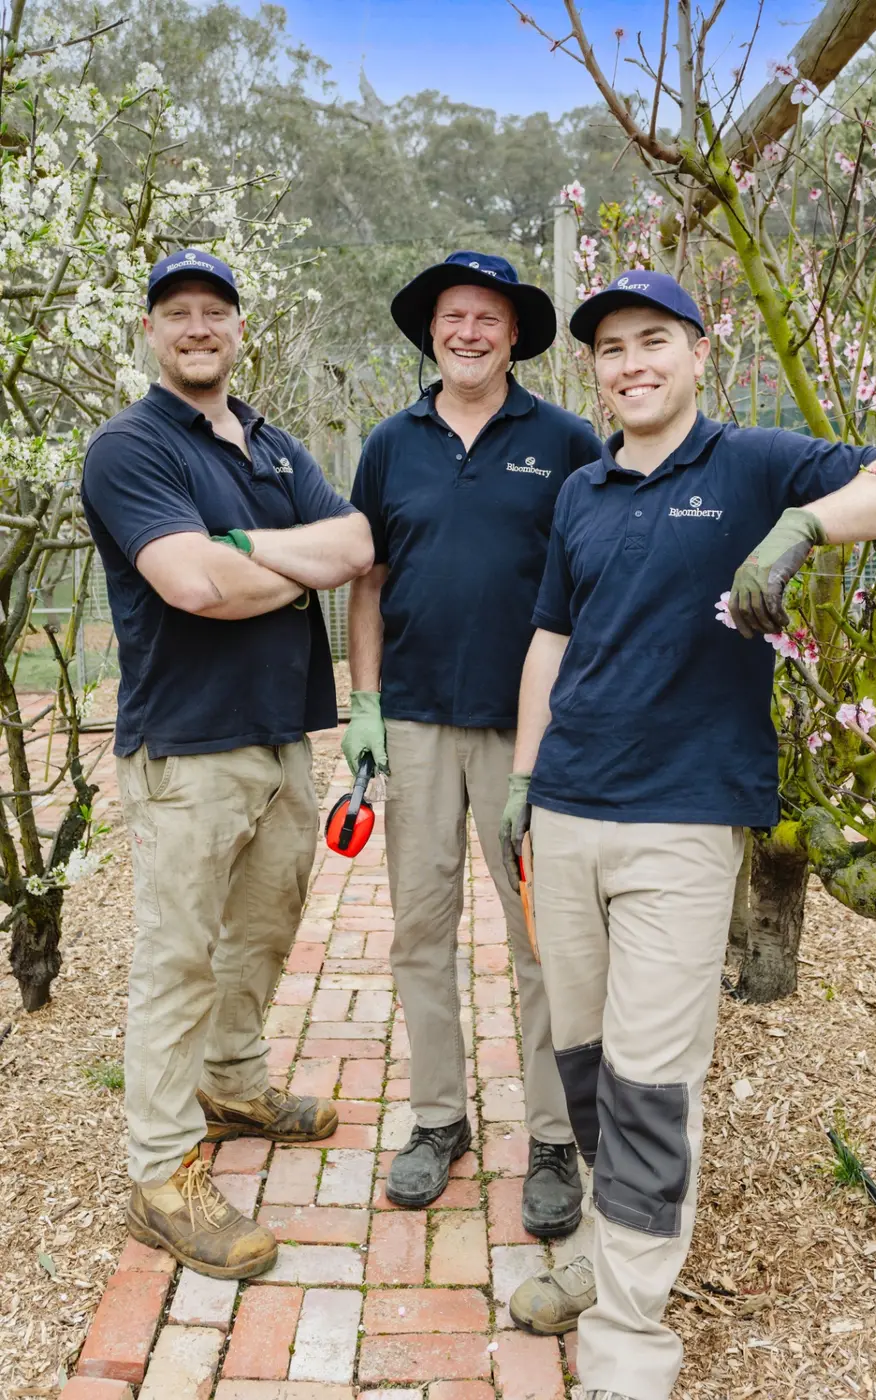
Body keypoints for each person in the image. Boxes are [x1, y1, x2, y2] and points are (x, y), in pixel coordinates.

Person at [500, 270, 876, 1400]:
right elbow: (550, 638)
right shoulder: (584, 490)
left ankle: (629, 1345)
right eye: (610, 349)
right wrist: (521, 777)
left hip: (682, 825)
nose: (631, 362)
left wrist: (802, 524)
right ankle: (606, 1252)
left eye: (654, 340)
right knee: (586, 1064)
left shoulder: (753, 462)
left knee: (650, 1079)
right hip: (568, 808)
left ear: (701, 351)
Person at [82, 249, 374, 1279]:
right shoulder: (128, 448)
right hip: (188, 744)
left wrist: (244, 547)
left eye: (215, 311)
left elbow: (353, 545)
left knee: (263, 928)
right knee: (177, 957)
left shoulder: (272, 441)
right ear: (153, 332)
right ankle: (161, 1174)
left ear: (238, 326)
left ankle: (233, 1077)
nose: (198, 327)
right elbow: (190, 585)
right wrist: (282, 561)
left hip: (282, 733)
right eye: (179, 314)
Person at [343, 250, 603, 1232]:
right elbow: (366, 579)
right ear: (431, 329)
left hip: (525, 731)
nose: (468, 331)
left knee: (542, 939)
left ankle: (549, 1135)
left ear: (514, 334)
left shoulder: (568, 440)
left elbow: (595, 575)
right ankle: (437, 1117)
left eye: (487, 316)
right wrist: (363, 702)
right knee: (419, 930)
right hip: (409, 724)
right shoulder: (389, 444)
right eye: (453, 315)